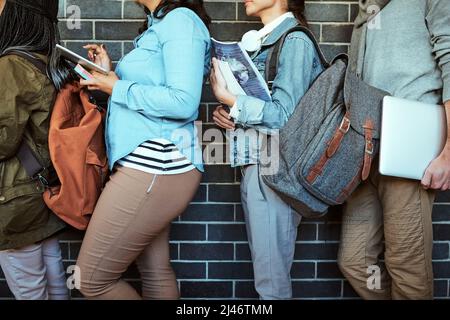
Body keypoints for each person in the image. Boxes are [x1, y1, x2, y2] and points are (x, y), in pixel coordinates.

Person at [75, 0, 211, 300]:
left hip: (155, 166)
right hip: (148, 165)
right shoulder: (162, 24)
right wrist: (110, 76)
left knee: (90, 281)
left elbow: (183, 102)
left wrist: (117, 87)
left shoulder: (181, 22)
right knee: (155, 270)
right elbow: (156, 89)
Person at [210, 0, 323, 299]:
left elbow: (284, 117)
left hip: (275, 171)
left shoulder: (295, 40)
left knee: (271, 286)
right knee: (269, 278)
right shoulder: (266, 40)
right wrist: (230, 114)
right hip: (259, 166)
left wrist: (233, 101)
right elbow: (264, 110)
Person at [338, 0, 450, 299]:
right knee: (355, 261)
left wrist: (449, 153)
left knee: (407, 267)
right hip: (364, 154)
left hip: (410, 151)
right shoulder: (367, 7)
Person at [0, 0, 71, 300]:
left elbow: (4, 140)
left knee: (29, 290)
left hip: (16, 197)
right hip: (43, 190)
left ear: (17, 14)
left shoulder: (11, 65)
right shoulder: (50, 60)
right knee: (54, 277)